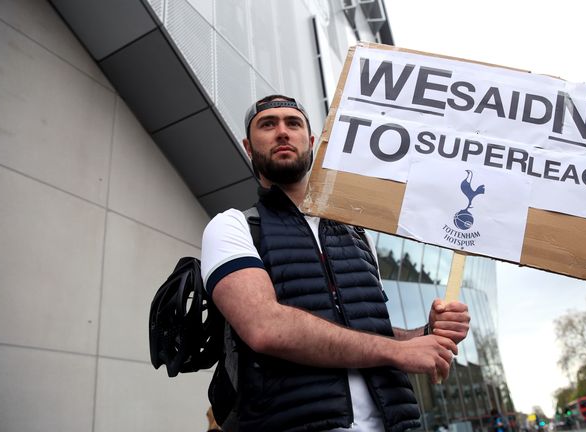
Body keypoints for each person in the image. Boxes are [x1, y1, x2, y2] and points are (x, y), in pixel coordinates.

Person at [201, 94, 471, 432]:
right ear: (248, 146)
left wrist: (426, 334)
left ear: (312, 142)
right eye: (268, 125)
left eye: (293, 123)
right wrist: (395, 352)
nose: (282, 132)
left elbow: (364, 331)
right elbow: (265, 328)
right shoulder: (232, 226)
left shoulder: (358, 234)